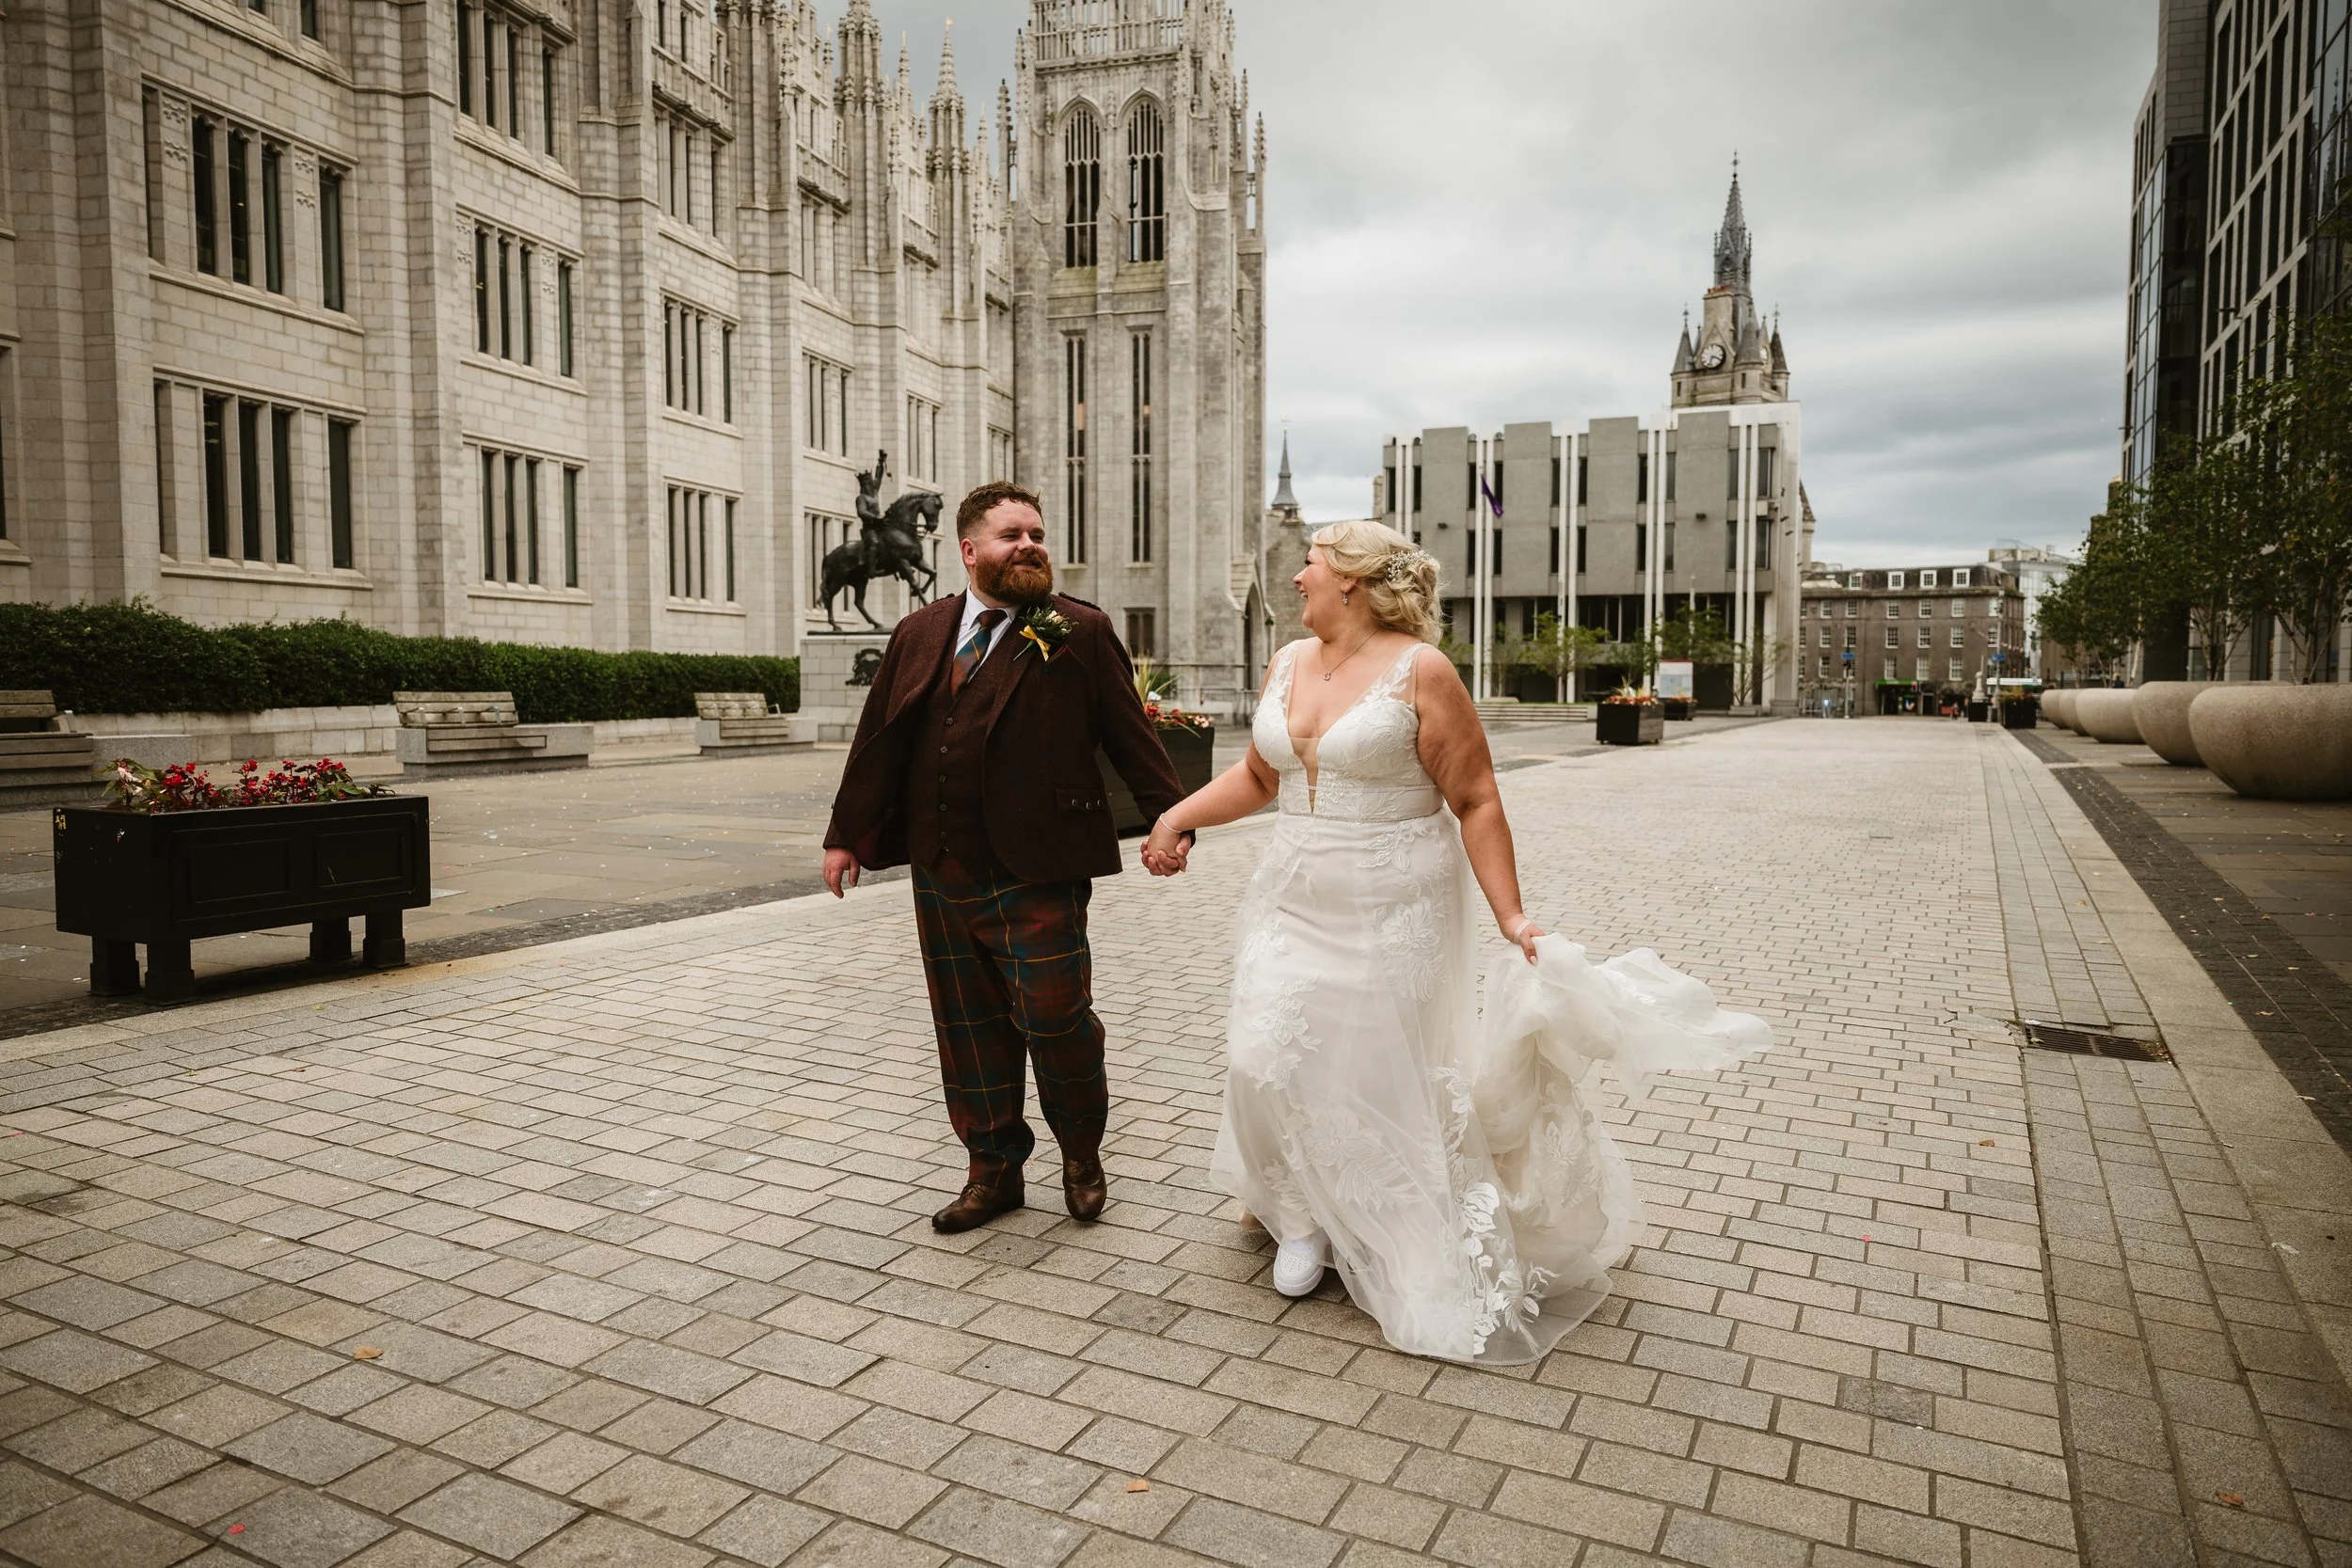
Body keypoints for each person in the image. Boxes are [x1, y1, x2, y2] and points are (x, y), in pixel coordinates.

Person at [1141, 519, 1771, 1364]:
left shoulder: (1421, 670)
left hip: (1393, 899)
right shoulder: (1287, 662)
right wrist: (1179, 814)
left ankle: (1362, 1220)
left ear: (1354, 583)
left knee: (1366, 1064)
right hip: (1291, 891)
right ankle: (1298, 1212)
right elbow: (1261, 775)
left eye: (1312, 563)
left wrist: (1513, 918)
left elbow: (1475, 797)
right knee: (1263, 1053)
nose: (1297, 578)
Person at [823, 481, 1187, 1234]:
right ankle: (993, 1171)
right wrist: (846, 834)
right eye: (1011, 534)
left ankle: (1081, 1154)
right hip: (941, 866)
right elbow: (879, 737)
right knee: (968, 1028)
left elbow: (1130, 732)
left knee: (1059, 1025)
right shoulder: (920, 632)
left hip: (1041, 867)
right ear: (968, 550)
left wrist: (1171, 818)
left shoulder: (1078, 630)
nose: (1029, 545)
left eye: (1037, 533)